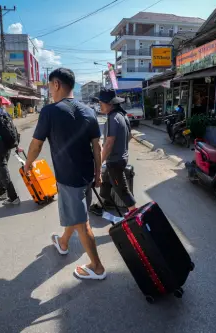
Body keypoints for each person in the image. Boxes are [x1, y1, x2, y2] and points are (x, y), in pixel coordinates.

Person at [24, 68, 106, 280]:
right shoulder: (89, 111)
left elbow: (36, 145)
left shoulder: (50, 112)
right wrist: (98, 175)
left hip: (70, 178)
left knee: (82, 221)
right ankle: (63, 243)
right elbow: (97, 147)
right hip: (87, 176)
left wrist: (28, 164)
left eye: (50, 86)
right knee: (77, 213)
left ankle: (97, 267)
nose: (50, 90)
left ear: (57, 84)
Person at [89, 89, 136, 217]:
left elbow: (109, 143)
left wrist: (100, 163)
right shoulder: (122, 115)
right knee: (105, 181)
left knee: (122, 190)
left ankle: (135, 216)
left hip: (115, 161)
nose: (100, 106)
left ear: (110, 104)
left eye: (101, 103)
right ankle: (101, 205)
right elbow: (130, 135)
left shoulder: (112, 118)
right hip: (120, 158)